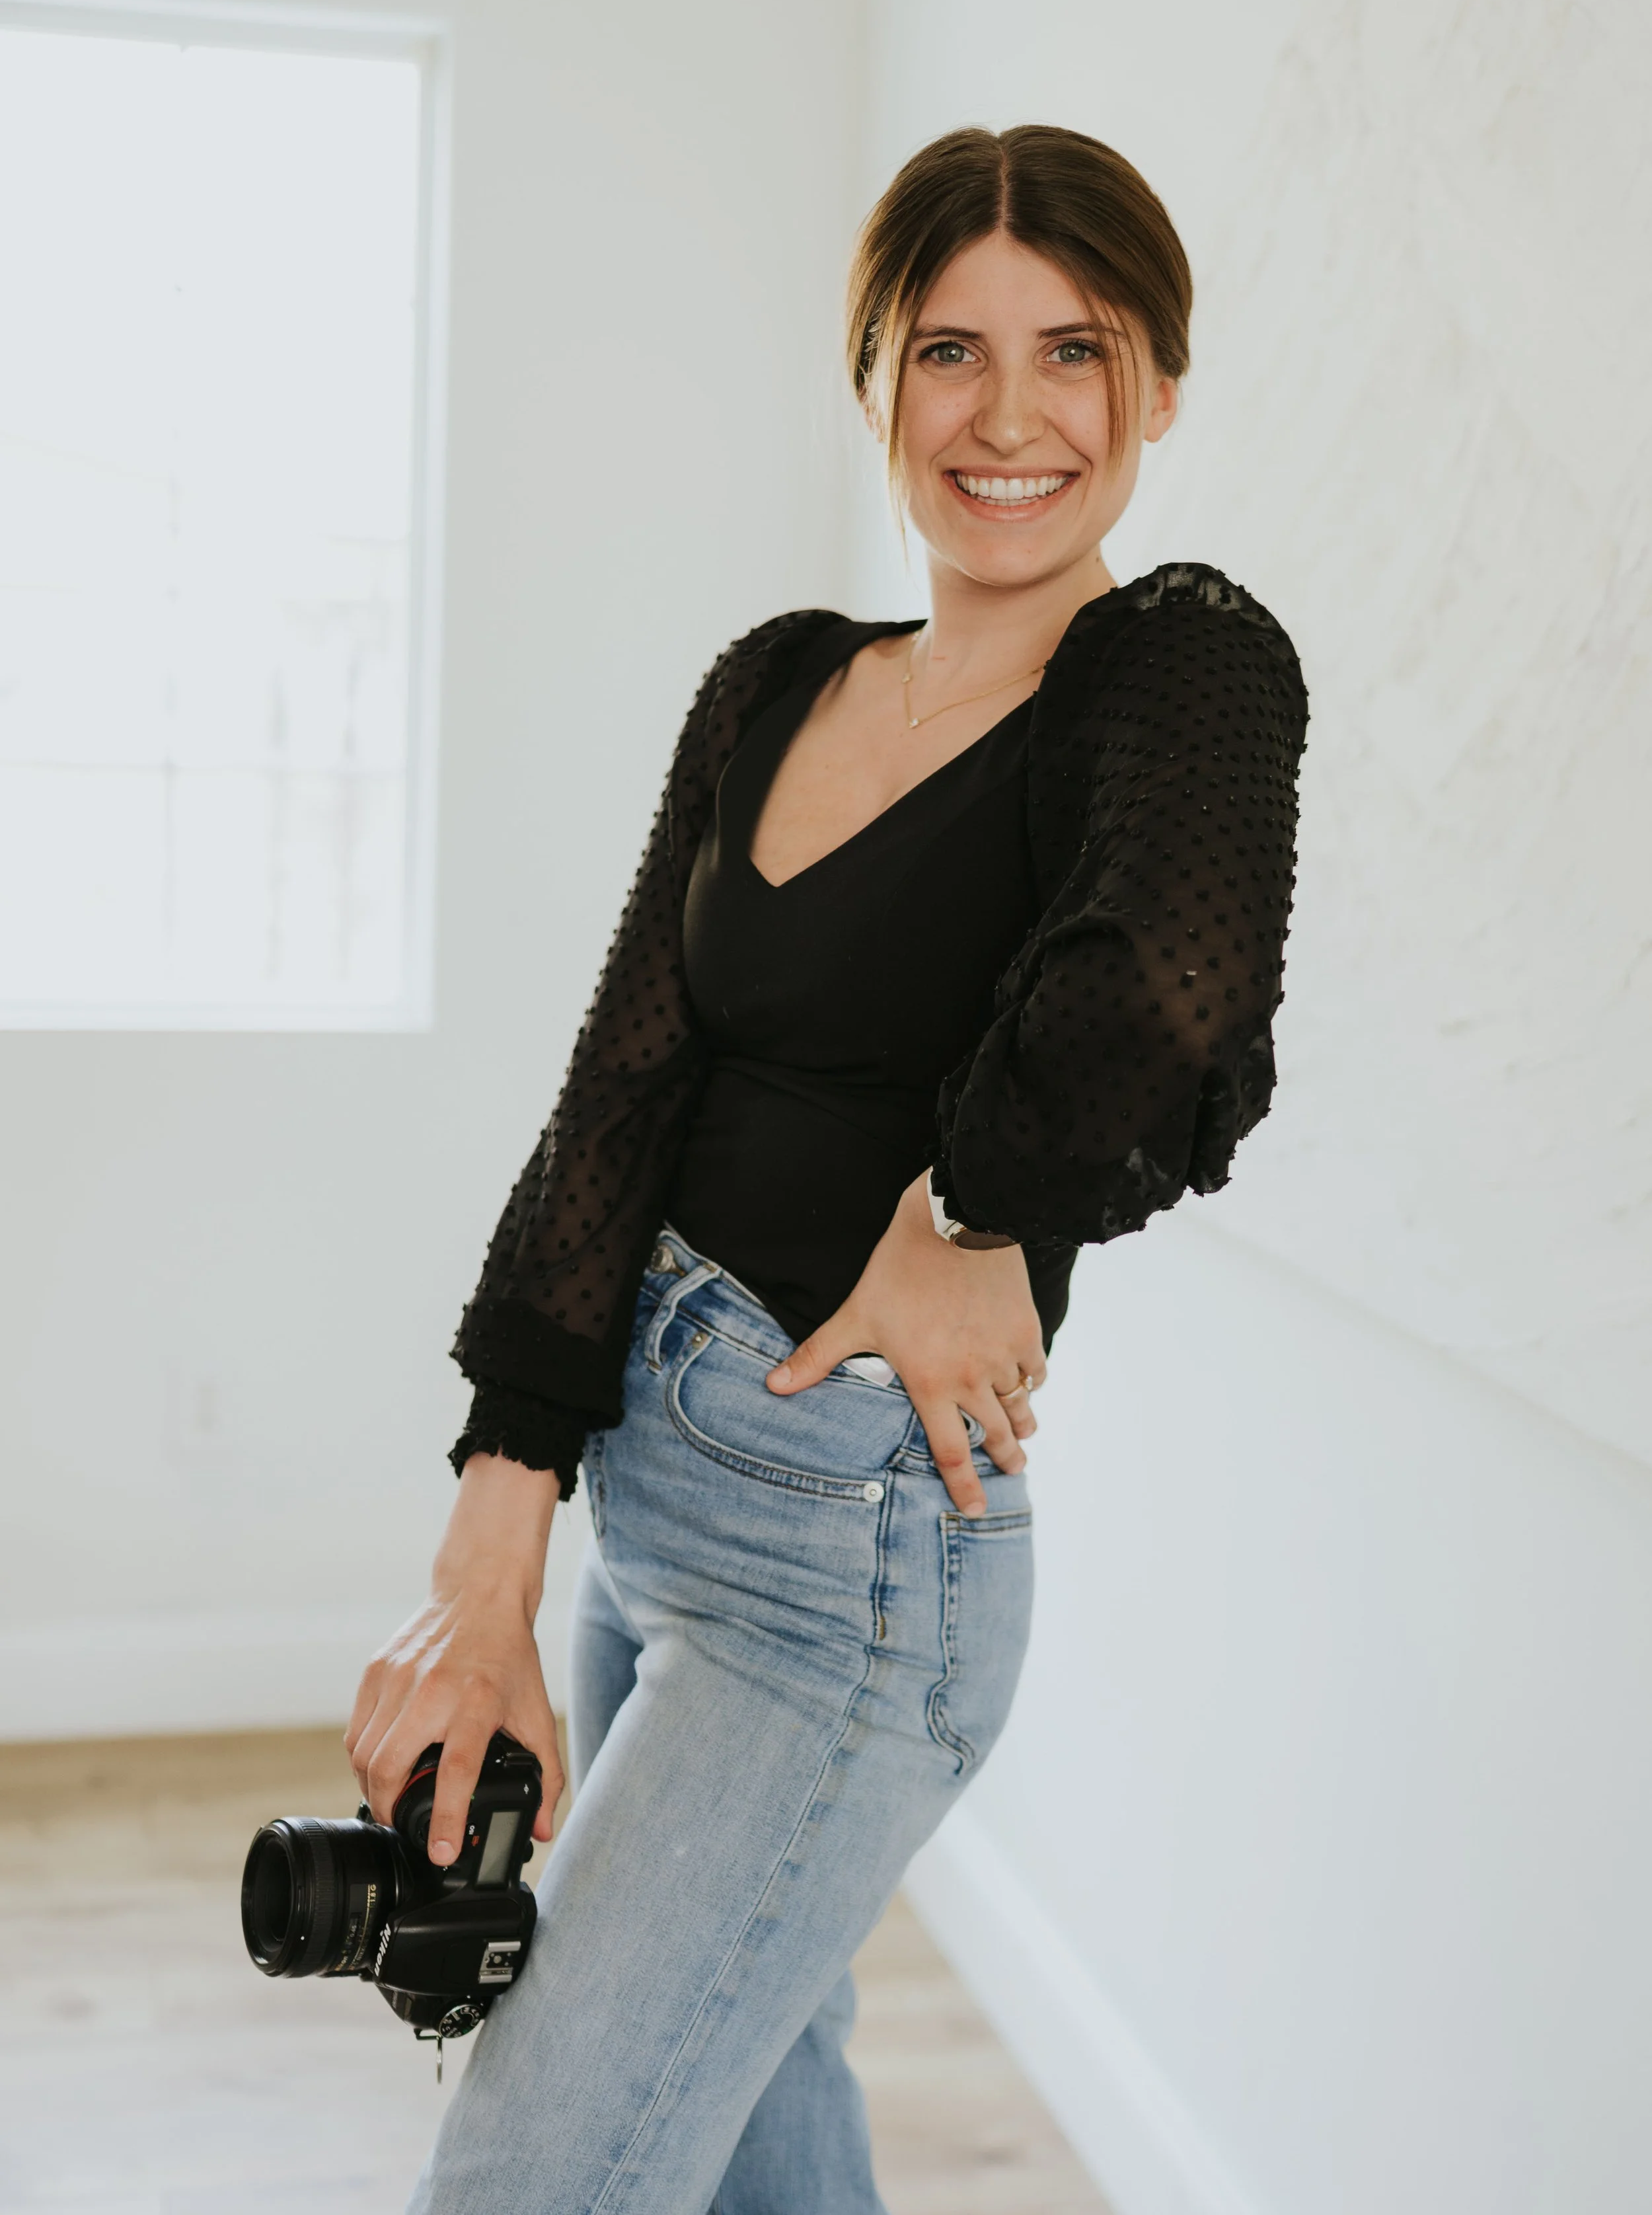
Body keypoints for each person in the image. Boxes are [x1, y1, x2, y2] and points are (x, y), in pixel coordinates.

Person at [347, 123, 1307, 2214]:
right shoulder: (778, 676)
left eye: (1077, 348)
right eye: (947, 351)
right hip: (643, 1505)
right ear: (870, 376)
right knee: (765, 2111)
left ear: (1156, 382)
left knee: (526, 2178)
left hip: (851, 1557)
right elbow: (620, 1089)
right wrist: (485, 1563)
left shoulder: (1174, 667)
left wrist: (972, 1210)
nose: (1011, 415)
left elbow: (1168, 1002)